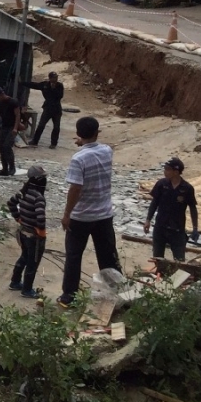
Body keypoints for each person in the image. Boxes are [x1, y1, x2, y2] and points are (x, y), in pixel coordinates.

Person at [58, 116, 121, 308]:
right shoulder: (107, 151)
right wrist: (85, 142)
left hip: (81, 216)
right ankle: (117, 290)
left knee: (74, 256)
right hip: (104, 214)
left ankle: (69, 296)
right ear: (97, 132)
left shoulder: (78, 159)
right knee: (108, 255)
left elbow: (75, 188)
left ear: (78, 134)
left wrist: (67, 214)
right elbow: (95, 148)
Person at [144, 157, 200, 262]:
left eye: (168, 169)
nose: (165, 171)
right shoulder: (161, 184)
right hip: (160, 227)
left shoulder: (187, 188)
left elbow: (193, 208)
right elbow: (154, 203)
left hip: (177, 229)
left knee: (179, 260)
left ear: (176, 172)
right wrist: (148, 220)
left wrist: (195, 228)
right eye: (165, 169)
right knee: (157, 258)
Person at [7, 165, 48, 298]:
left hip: (23, 232)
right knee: (33, 263)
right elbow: (40, 218)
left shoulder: (23, 192)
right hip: (34, 236)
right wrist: (41, 232)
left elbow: (11, 203)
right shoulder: (39, 197)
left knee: (24, 257)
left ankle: (15, 282)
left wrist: (18, 218)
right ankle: (27, 289)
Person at [23, 72, 65, 148]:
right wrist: (22, 83)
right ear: (50, 78)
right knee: (41, 125)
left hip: (56, 109)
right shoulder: (45, 85)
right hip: (47, 108)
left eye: (56, 77)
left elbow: (60, 96)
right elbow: (34, 85)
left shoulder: (59, 85)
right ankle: (35, 141)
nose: (56, 79)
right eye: (54, 77)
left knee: (56, 127)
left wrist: (53, 88)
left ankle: (53, 143)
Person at [0, 87, 21, 176]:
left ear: (1, 94)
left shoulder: (13, 102)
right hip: (4, 126)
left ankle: (12, 167)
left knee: (7, 146)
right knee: (0, 147)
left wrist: (15, 128)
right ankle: (4, 168)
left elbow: (17, 115)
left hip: (11, 127)